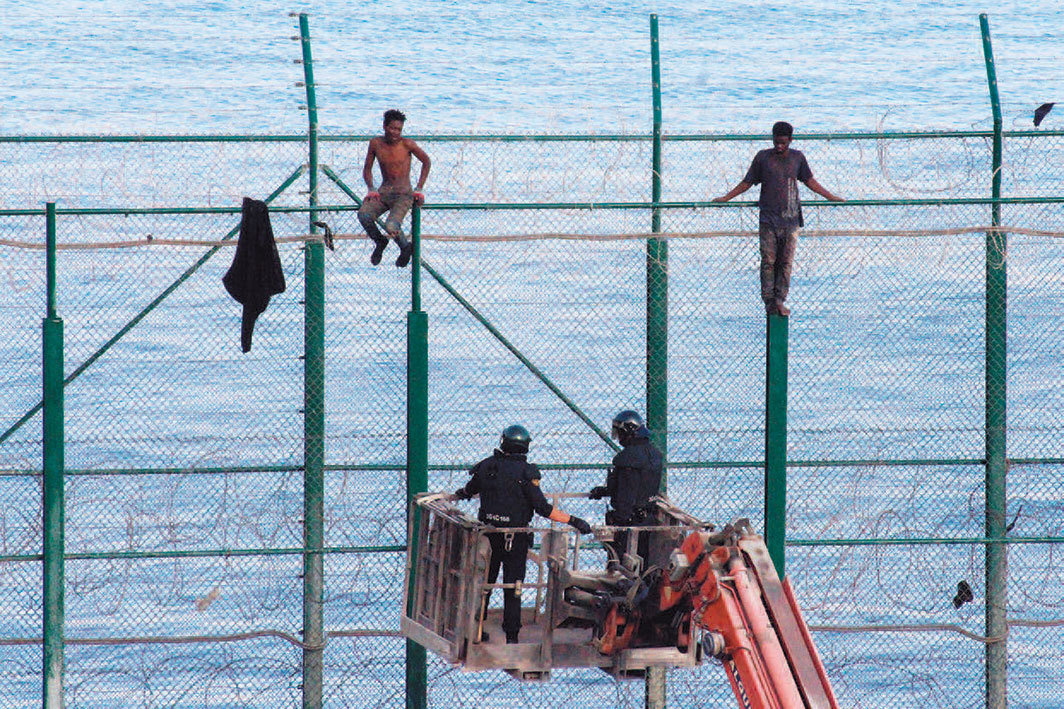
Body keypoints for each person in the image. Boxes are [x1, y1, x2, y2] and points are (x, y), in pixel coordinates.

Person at [454, 424, 593, 644]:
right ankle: (512, 637)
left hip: (488, 536)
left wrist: (458, 495)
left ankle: (477, 630)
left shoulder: (486, 466)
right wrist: (574, 521)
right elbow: (543, 508)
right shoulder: (526, 473)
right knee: (514, 587)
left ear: (503, 443)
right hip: (515, 538)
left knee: (485, 585)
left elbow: (469, 490)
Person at [713, 121, 843, 316]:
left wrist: (830, 197)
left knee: (786, 263)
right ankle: (769, 301)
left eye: (783, 142)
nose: (779, 146)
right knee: (768, 260)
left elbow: (810, 181)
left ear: (790, 140)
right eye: (776, 142)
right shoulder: (763, 158)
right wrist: (726, 198)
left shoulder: (797, 158)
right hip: (768, 219)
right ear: (772, 138)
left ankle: (780, 299)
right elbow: (747, 182)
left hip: (790, 220)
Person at [357, 109, 431, 268]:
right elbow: (367, 169)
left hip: (403, 194)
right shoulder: (376, 143)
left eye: (399, 129)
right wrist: (371, 188)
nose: (395, 132)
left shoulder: (407, 144)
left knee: (392, 225)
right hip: (383, 193)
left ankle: (405, 248)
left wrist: (419, 189)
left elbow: (426, 162)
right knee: (364, 215)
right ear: (384, 126)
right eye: (392, 128)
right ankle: (380, 242)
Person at [589, 410, 663, 566]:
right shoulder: (654, 454)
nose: (619, 437)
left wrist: (619, 522)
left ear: (627, 432)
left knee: (620, 565)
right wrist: (604, 491)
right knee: (644, 563)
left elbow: (626, 493)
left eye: (620, 432)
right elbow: (641, 485)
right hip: (649, 519)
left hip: (629, 521)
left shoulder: (627, 458)